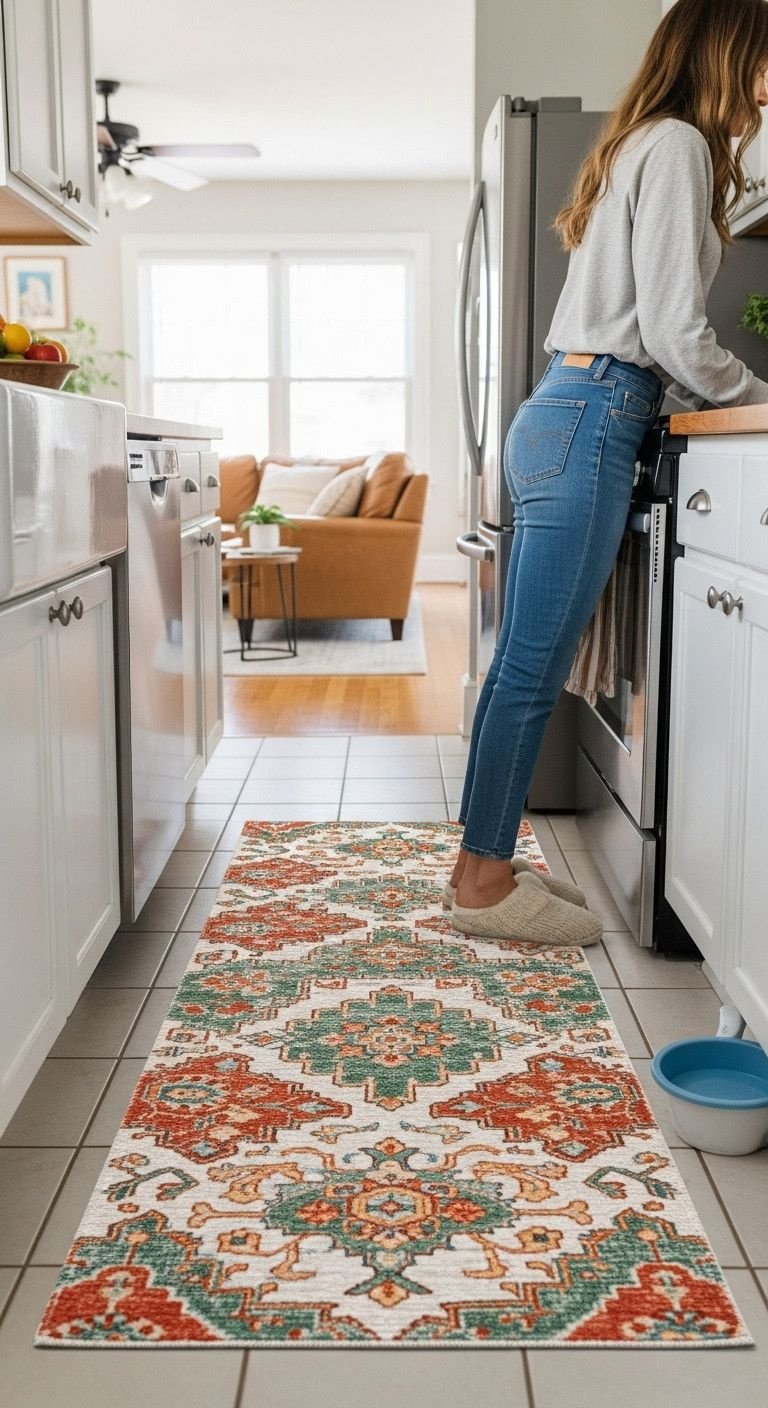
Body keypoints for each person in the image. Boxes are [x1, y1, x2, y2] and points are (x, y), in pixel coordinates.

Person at [449, 0, 768, 947]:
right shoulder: (678, 147)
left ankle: (480, 866)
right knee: (530, 670)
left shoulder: (651, 142)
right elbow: (673, 333)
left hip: (573, 411)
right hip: (593, 417)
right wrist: (754, 392)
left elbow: (650, 328)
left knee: (519, 664)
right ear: (729, 48)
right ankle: (483, 887)